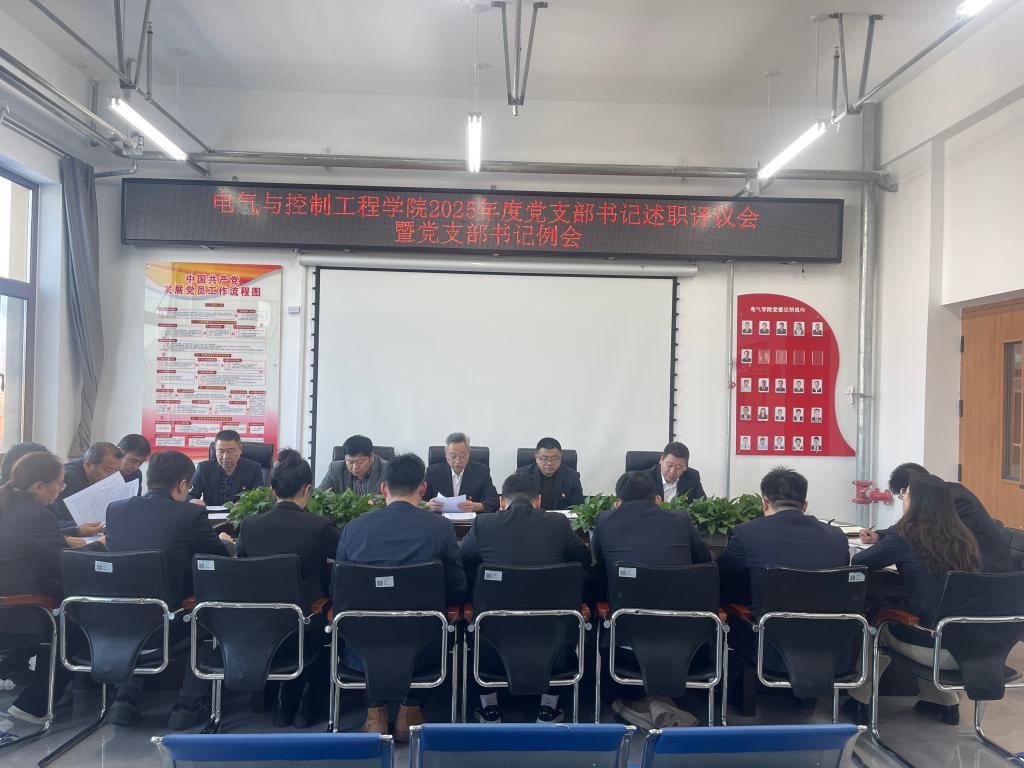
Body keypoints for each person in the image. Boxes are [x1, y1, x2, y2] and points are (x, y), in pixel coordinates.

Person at [335, 453, 467, 741]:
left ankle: (375, 713)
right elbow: (457, 589)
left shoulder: (353, 529)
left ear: (383, 488)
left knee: (373, 626)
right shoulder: (440, 528)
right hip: (424, 650)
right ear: (423, 488)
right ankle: (410, 710)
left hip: (362, 649)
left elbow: (340, 591)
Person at [104, 450, 235, 730]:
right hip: (171, 622)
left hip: (117, 619)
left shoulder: (115, 510)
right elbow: (218, 556)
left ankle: (125, 701)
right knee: (208, 616)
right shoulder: (190, 514)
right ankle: (187, 706)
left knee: (140, 609)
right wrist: (225, 540)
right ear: (183, 484)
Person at [848, 474, 983, 725]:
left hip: (933, 648)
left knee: (879, 626)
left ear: (916, 501)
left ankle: (859, 700)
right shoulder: (964, 536)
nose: (902, 499)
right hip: (973, 647)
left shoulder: (906, 534)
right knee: (931, 620)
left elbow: (860, 561)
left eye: (905, 494)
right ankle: (945, 703)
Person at [460, 473, 590, 724]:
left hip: (492, 632)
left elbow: (462, 559)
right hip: (552, 631)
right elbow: (583, 560)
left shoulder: (483, 524)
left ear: (501, 501)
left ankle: (489, 706)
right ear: (538, 501)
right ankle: (549, 706)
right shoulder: (558, 523)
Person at [716, 467, 850, 705]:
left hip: (767, 648)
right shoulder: (837, 537)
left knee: (731, 605)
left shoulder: (748, 533)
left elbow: (721, 575)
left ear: (764, 502)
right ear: (805, 504)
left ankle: (728, 698)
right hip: (829, 648)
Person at [590, 471, 711, 729]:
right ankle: (660, 702)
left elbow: (597, 565)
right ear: (657, 499)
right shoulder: (680, 519)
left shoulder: (605, 520)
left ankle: (627, 701)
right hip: (685, 638)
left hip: (625, 639)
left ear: (617, 502)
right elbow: (704, 562)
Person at [237, 449, 340, 728]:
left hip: (258, 620)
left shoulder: (249, 525)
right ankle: (308, 705)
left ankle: (283, 703)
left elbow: (241, 563)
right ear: (307, 489)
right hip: (306, 620)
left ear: (272, 490)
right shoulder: (318, 526)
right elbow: (345, 557)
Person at [0, 452, 74, 725]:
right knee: (78, 616)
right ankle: (36, 704)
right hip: (19, 605)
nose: (60, 490)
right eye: (59, 483)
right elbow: (63, 561)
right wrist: (98, 549)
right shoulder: (36, 514)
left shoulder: (10, 506)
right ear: (38, 486)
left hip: (9, 595)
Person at [859, 462, 1015, 574]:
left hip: (989, 575)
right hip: (963, 575)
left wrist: (893, 541)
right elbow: (914, 527)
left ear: (913, 489)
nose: (904, 499)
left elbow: (921, 529)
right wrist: (880, 535)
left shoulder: (956, 500)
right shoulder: (944, 495)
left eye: (904, 494)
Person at [53, 442, 123, 539]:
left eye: (116, 471)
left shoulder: (96, 476)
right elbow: (62, 518)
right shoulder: (68, 478)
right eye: (108, 470)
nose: (112, 477)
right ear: (88, 465)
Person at [424, 433, 498, 514]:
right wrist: (428, 505)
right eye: (453, 456)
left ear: (468, 452)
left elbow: (494, 502)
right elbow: (419, 501)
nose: (457, 461)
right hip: (440, 520)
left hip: (471, 521)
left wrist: (475, 506)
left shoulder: (482, 471)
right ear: (446, 453)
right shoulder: (432, 472)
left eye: (462, 456)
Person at [188, 429, 264, 507]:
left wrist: (246, 503)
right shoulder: (204, 468)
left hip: (239, 514)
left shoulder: (253, 469)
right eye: (221, 451)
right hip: (210, 513)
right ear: (215, 450)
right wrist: (192, 500)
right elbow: (189, 495)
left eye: (230, 451)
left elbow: (260, 498)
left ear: (240, 449)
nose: (225, 457)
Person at [514, 437, 584, 510]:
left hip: (560, 517)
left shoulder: (572, 477)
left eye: (554, 459)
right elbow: (517, 506)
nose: (549, 463)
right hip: (533, 516)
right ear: (536, 458)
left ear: (560, 458)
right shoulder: (522, 475)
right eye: (544, 458)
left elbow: (578, 508)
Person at [317, 434, 388, 495]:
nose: (355, 467)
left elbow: (392, 498)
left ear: (371, 457)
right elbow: (319, 495)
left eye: (360, 462)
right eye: (350, 462)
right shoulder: (335, 469)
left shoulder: (387, 469)